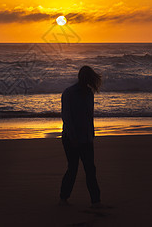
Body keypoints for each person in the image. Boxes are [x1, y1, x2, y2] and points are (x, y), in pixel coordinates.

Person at [59, 65, 103, 208]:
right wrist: (74, 138)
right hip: (70, 138)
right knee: (73, 168)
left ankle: (96, 201)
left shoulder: (89, 93)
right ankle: (63, 198)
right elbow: (67, 118)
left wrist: (91, 135)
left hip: (85, 137)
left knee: (90, 169)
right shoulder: (69, 93)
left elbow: (89, 117)